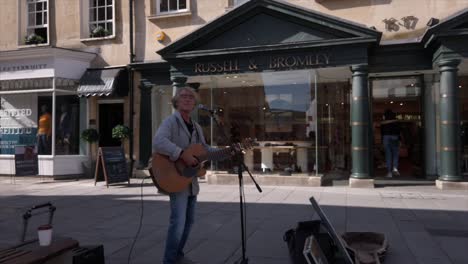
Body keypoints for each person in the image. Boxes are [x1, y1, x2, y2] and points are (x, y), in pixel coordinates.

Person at [153, 87, 230, 264]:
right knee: (178, 222)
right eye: (183, 97)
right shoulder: (171, 122)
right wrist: (181, 153)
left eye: (190, 97)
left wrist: (226, 152)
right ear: (176, 102)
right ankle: (169, 260)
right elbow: (159, 141)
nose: (187, 99)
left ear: (194, 103)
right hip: (175, 177)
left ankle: (177, 254)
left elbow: (205, 150)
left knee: (189, 222)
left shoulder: (196, 127)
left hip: (190, 180)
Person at [380, 109, 401, 178]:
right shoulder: (397, 122)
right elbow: (399, 131)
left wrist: (381, 142)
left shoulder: (383, 122)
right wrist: (400, 140)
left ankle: (389, 172)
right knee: (395, 154)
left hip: (386, 137)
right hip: (395, 137)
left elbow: (382, 133)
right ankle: (395, 168)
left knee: (388, 155)